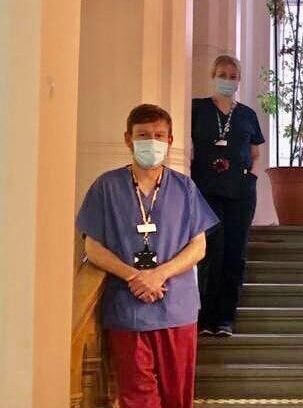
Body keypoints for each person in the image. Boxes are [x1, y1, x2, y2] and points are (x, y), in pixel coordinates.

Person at [76, 104, 219, 408]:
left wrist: (159, 274)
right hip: (129, 311)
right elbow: (93, 247)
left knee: (176, 398)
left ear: (169, 140)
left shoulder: (185, 189)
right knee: (138, 397)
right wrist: (134, 276)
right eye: (143, 135)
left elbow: (199, 246)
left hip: (176, 310)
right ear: (128, 139)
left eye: (158, 135)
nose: (151, 142)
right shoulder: (107, 187)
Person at [191, 55, 265, 336]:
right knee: (211, 251)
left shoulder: (247, 115)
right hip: (206, 191)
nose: (227, 80)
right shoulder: (198, 108)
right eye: (222, 74)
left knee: (235, 253)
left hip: (240, 193)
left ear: (239, 80)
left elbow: (255, 152)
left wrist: (251, 177)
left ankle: (225, 318)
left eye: (233, 76)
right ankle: (204, 317)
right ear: (213, 76)